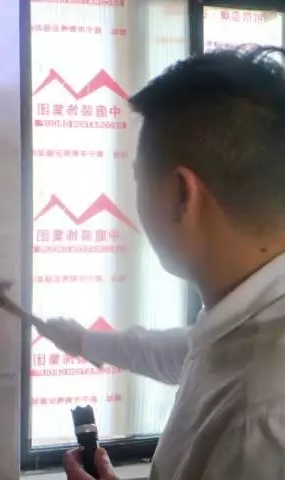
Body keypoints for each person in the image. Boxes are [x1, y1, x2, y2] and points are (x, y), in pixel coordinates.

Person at [46, 45, 285, 479]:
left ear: (180, 194)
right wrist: (83, 341)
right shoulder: (248, 323)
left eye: (138, 177)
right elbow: (183, 352)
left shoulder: (259, 419)